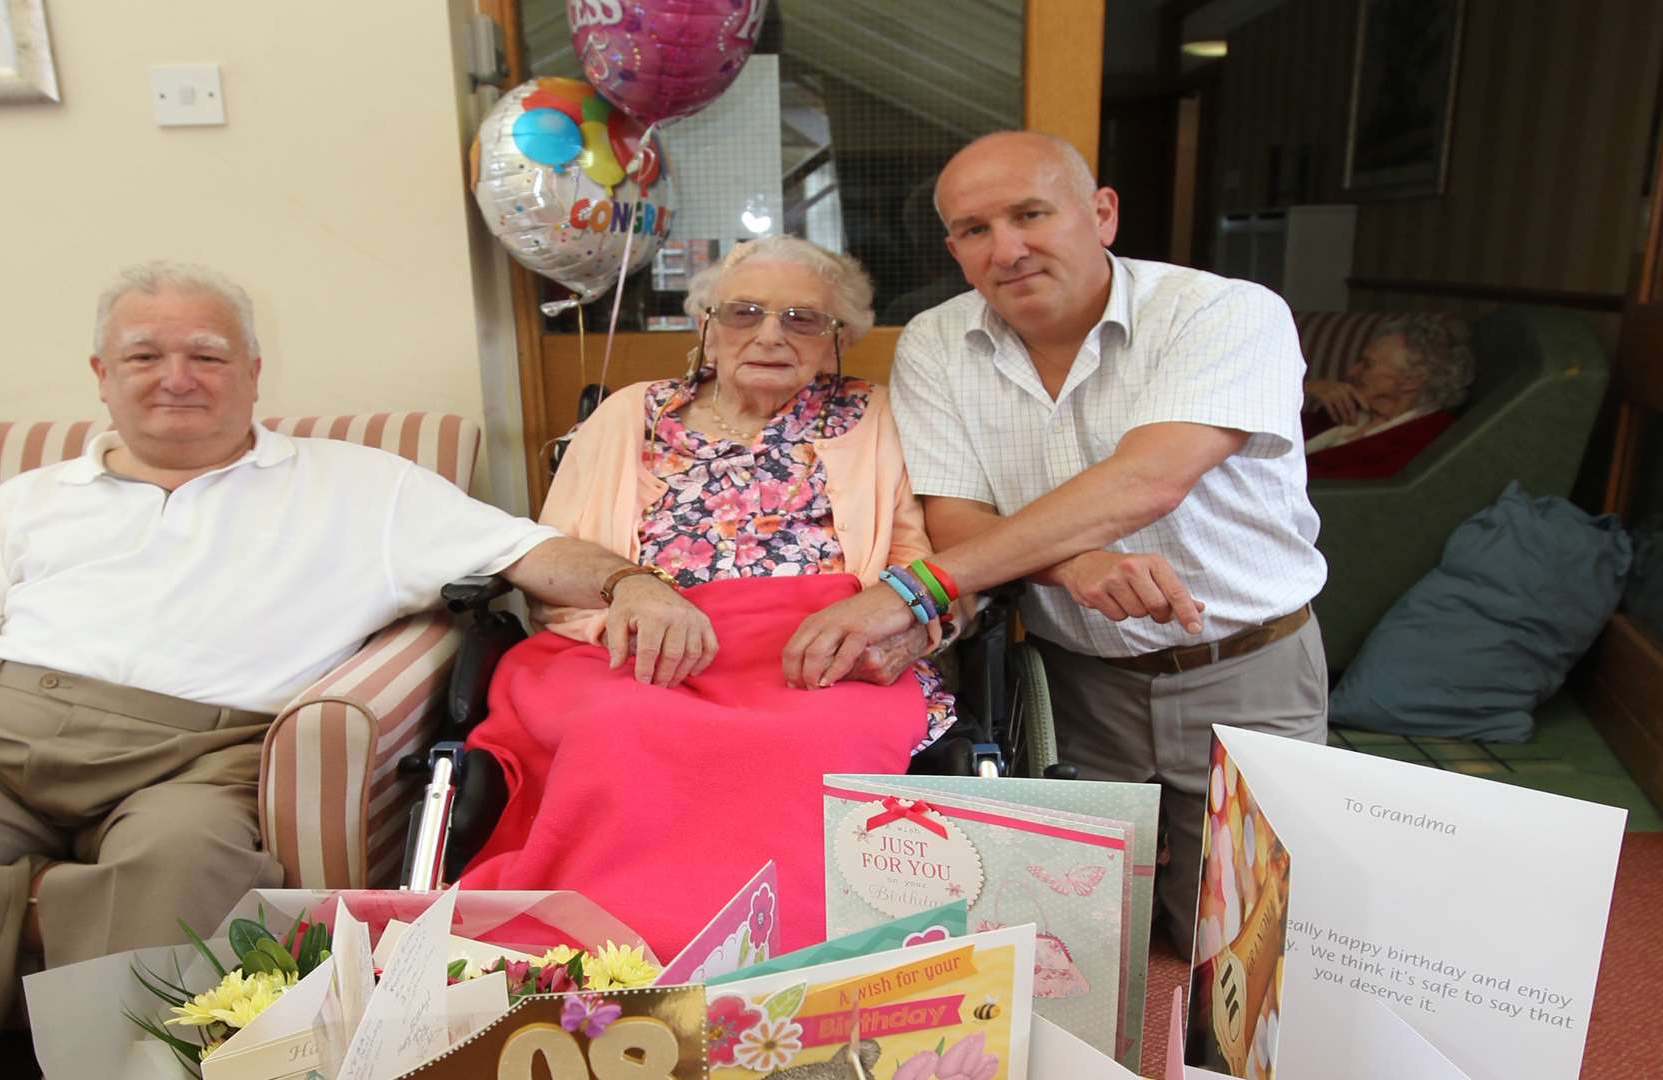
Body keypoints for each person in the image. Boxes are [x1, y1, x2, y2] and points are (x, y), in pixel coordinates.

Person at [0, 261, 714, 1080]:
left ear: (253, 373)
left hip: (196, 759)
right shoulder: (22, 504)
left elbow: (527, 549)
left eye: (207, 355)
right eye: (144, 357)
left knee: (183, 862)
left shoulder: (360, 487)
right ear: (102, 378)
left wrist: (635, 583)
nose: (176, 378)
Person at [783, 132, 1329, 953]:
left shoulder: (1225, 312)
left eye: (1031, 214)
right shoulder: (936, 340)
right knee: (1083, 941)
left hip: (1243, 666)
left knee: (1241, 953)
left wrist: (910, 589)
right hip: (1077, 683)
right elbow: (958, 517)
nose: (1007, 249)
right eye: (975, 230)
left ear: (1101, 213)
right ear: (955, 250)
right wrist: (1073, 563)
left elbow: (1145, 481)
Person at [456, 236, 956, 960]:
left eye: (802, 319)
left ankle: (801, 961)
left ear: (837, 340)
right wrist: (629, 606)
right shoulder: (632, 414)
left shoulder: (877, 416)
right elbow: (547, 557)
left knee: (825, 738)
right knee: (616, 727)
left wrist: (907, 628)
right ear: (707, 329)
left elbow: (918, 560)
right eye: (745, 312)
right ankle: (609, 957)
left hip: (818, 646)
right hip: (641, 644)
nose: (770, 334)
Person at [1302, 316, 1473, 479]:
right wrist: (1299, 389)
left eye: (1368, 364)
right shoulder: (1343, 409)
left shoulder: (1422, 439)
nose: (1352, 372)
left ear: (1410, 381)